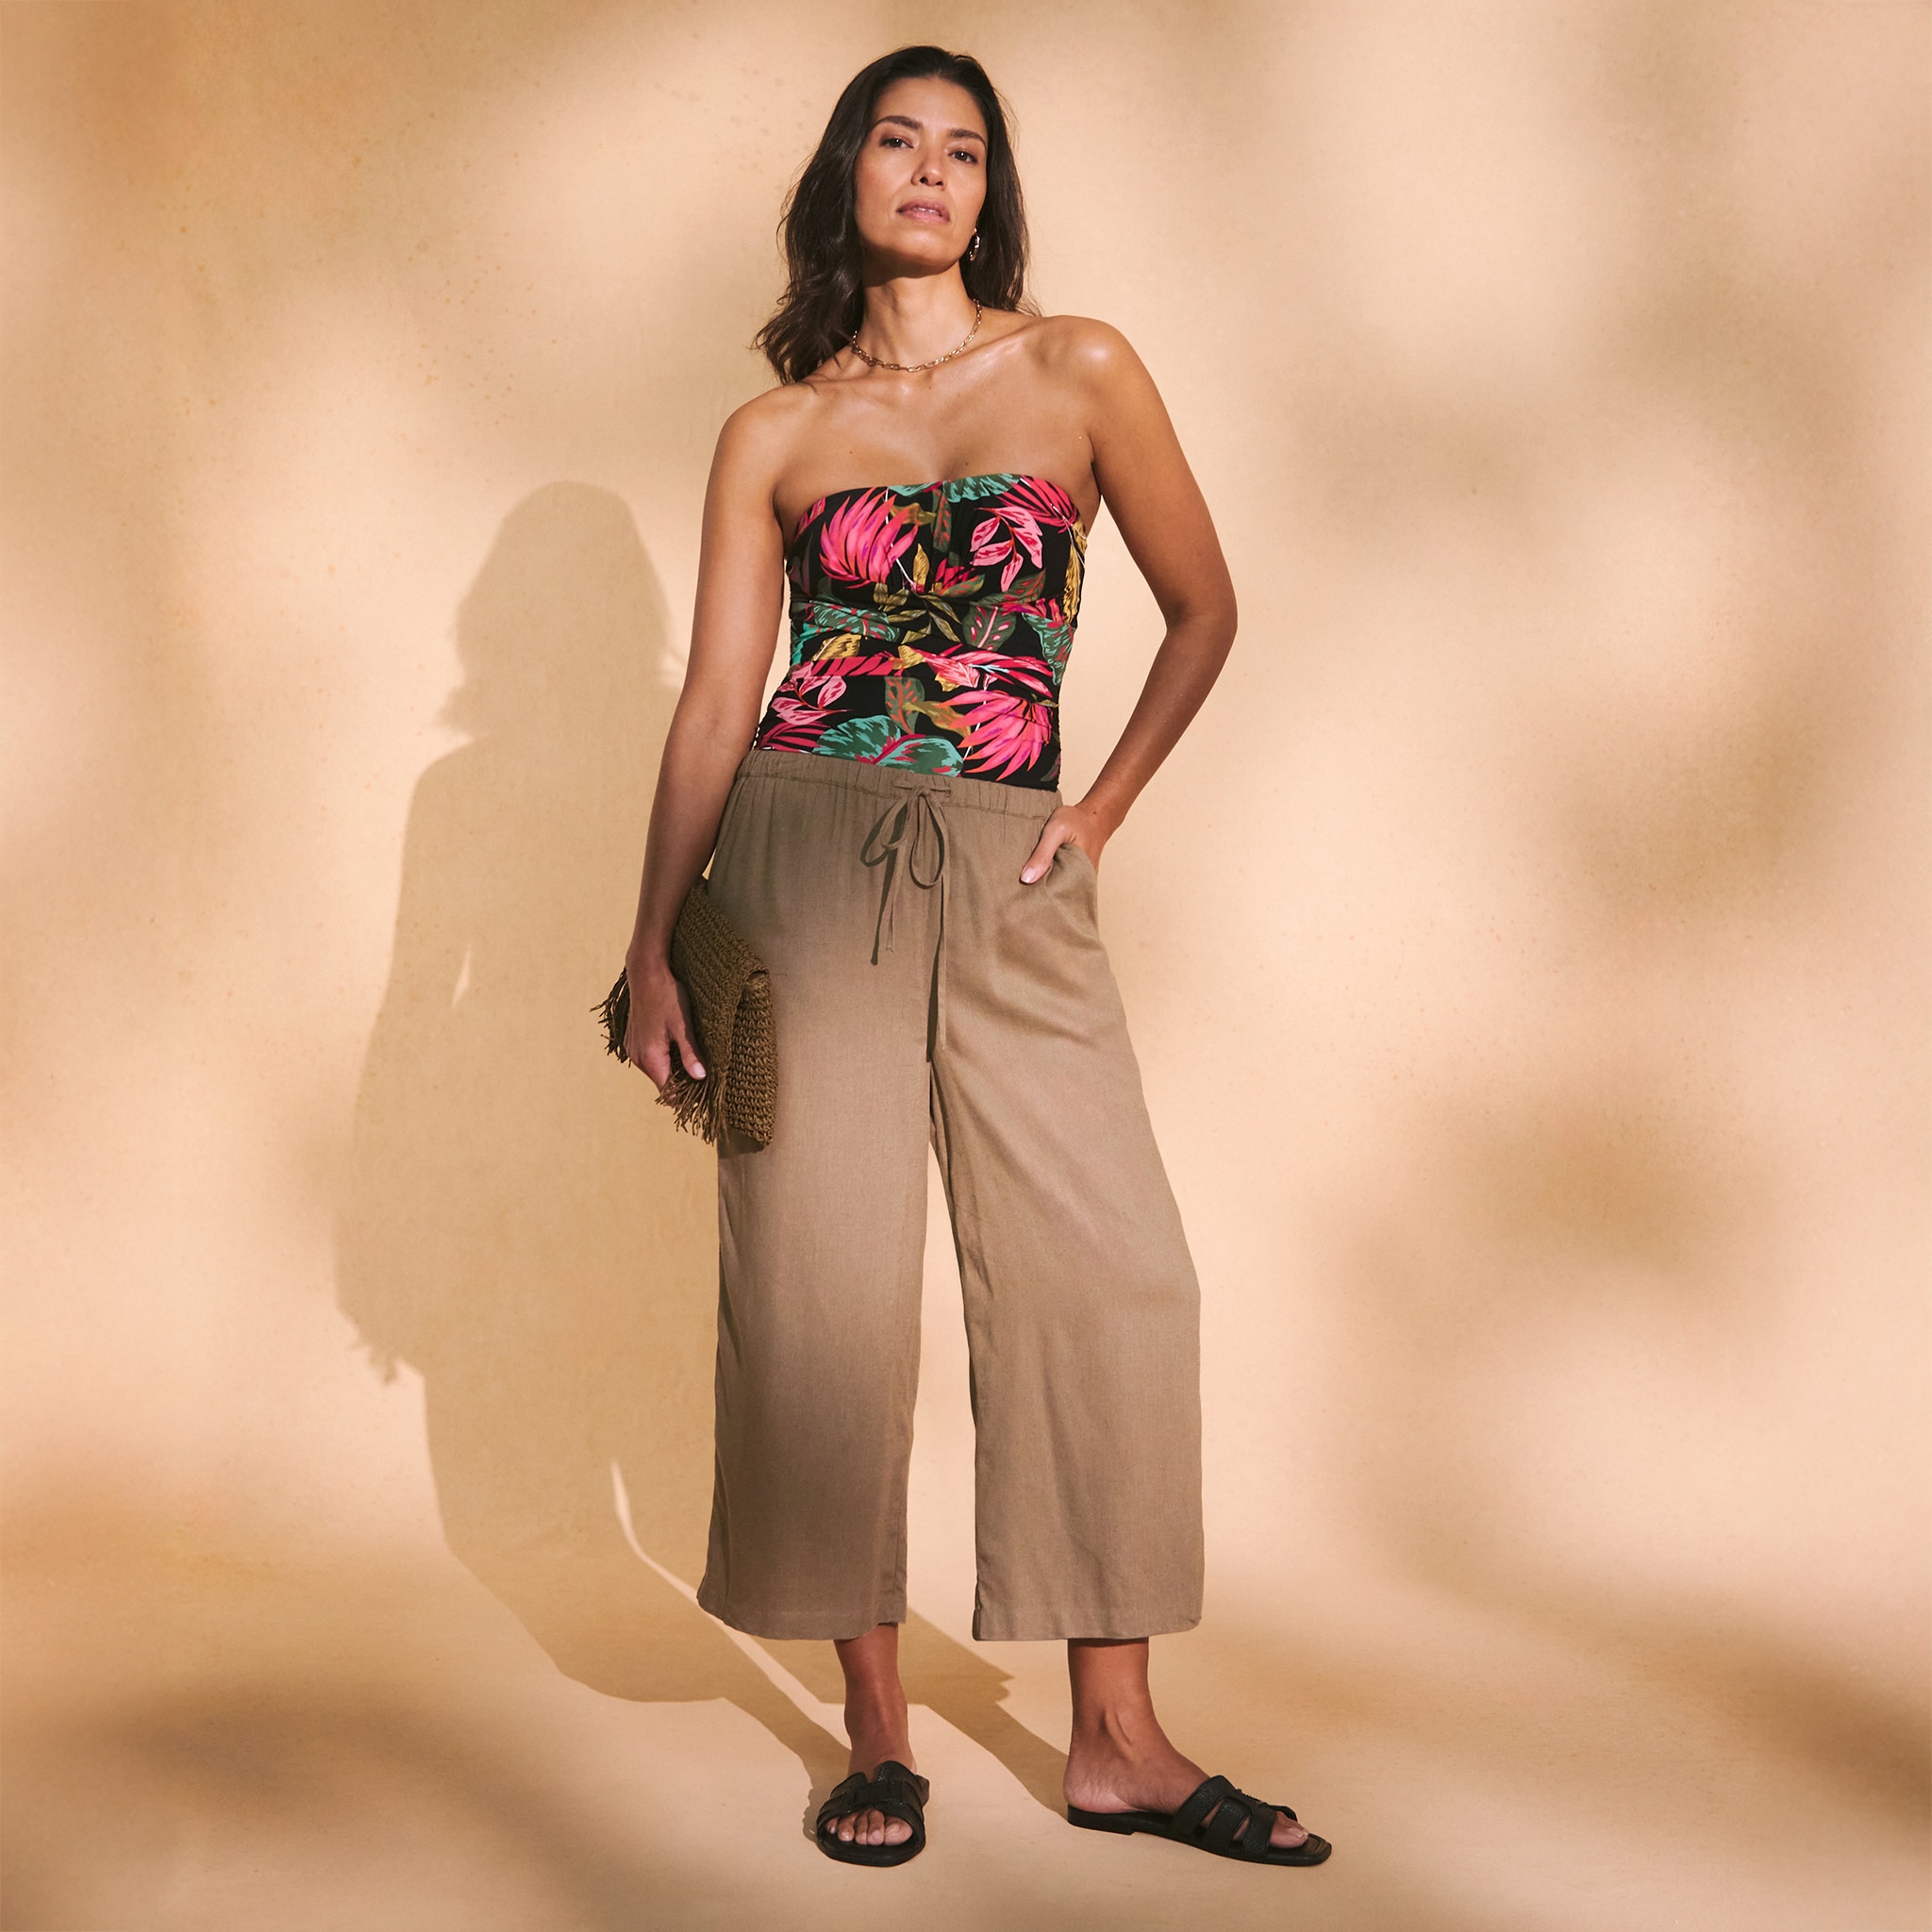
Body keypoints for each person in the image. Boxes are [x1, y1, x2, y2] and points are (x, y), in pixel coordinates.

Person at [619, 43, 1329, 1871]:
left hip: (1015, 858)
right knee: (822, 1295)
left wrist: (1095, 812)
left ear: (987, 189)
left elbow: (1205, 606)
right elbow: (716, 693)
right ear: (844, 176)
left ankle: (1118, 1740)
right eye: (893, 137)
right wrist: (647, 947)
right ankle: (876, 1733)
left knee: (1114, 1276)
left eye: (961, 148)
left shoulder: (1078, 367)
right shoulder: (769, 434)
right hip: (794, 854)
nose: (926, 170)